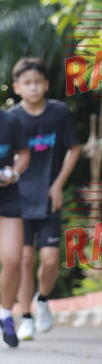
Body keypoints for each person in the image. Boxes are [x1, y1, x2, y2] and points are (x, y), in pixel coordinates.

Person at [9, 57, 81, 340]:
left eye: (38, 82)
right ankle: (25, 317)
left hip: (49, 197)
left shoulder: (58, 113)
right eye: (27, 83)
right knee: (25, 259)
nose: (33, 87)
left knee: (50, 259)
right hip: (18, 199)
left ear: (46, 84)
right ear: (17, 87)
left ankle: (43, 299)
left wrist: (57, 185)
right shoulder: (11, 118)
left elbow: (74, 149)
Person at [0, 109, 30, 347]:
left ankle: (5, 314)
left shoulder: (10, 120)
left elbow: (24, 154)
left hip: (8, 197)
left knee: (13, 259)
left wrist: (14, 173)